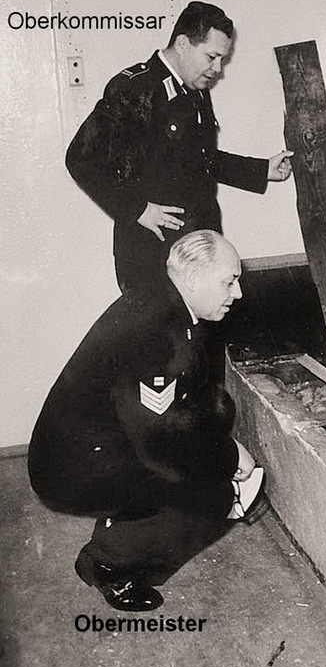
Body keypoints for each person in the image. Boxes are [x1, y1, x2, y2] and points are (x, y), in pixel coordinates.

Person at [28, 230, 264, 612]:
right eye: (229, 281)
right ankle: (109, 565)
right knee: (213, 496)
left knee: (217, 407)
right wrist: (229, 457)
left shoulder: (166, 303)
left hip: (96, 442)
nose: (237, 293)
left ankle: (123, 521)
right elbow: (159, 442)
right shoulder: (156, 329)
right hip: (72, 468)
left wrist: (216, 443)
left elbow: (182, 403)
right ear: (192, 277)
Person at [66, 0, 293, 296]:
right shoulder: (136, 89)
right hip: (154, 254)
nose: (218, 69)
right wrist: (136, 210)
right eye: (211, 57)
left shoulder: (195, 90)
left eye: (222, 59)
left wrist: (262, 170)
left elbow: (201, 159)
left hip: (198, 248)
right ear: (183, 44)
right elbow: (80, 158)